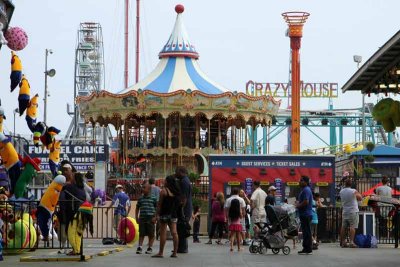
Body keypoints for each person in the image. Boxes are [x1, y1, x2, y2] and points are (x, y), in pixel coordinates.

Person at [152, 175, 180, 258]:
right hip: (173, 214)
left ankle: (161, 252)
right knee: (174, 233)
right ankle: (175, 252)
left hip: (164, 214)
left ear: (167, 182)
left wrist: (156, 215)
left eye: (165, 180)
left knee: (163, 232)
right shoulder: (176, 191)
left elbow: (159, 205)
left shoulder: (163, 191)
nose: (164, 181)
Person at [339, 177, 362, 248]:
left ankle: (343, 242)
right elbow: (360, 198)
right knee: (352, 226)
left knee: (343, 227)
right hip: (353, 211)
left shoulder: (341, 191)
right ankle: (351, 242)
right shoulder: (353, 191)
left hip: (345, 211)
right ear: (351, 184)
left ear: (345, 184)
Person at [135, 183, 157, 255]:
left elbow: (157, 208)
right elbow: (137, 208)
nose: (142, 189)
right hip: (142, 218)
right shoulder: (140, 198)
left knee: (151, 234)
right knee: (142, 233)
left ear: (149, 189)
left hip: (151, 219)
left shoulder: (153, 198)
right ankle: (140, 247)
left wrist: (155, 217)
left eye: (144, 188)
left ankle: (150, 247)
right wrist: (136, 217)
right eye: (142, 187)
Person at [175, 166, 192, 254]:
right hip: (187, 208)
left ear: (181, 172)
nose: (175, 173)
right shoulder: (186, 180)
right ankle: (181, 247)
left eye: (176, 171)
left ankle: (182, 248)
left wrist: (181, 208)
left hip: (184, 209)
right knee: (181, 228)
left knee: (181, 228)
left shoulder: (184, 182)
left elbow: (184, 197)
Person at [296, 176, 313, 255]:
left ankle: (308, 248)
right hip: (304, 214)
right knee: (305, 231)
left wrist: (298, 205)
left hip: (306, 214)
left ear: (306, 182)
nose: (300, 182)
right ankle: (305, 247)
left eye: (301, 180)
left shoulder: (306, 190)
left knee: (307, 232)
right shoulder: (303, 190)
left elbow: (306, 201)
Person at [225, 187, 246, 252]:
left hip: (231, 219)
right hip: (238, 220)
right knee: (238, 234)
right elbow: (243, 210)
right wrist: (242, 215)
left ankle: (231, 247)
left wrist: (227, 217)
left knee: (232, 234)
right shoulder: (241, 199)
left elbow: (226, 209)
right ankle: (239, 248)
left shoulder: (228, 199)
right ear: (238, 192)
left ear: (232, 192)